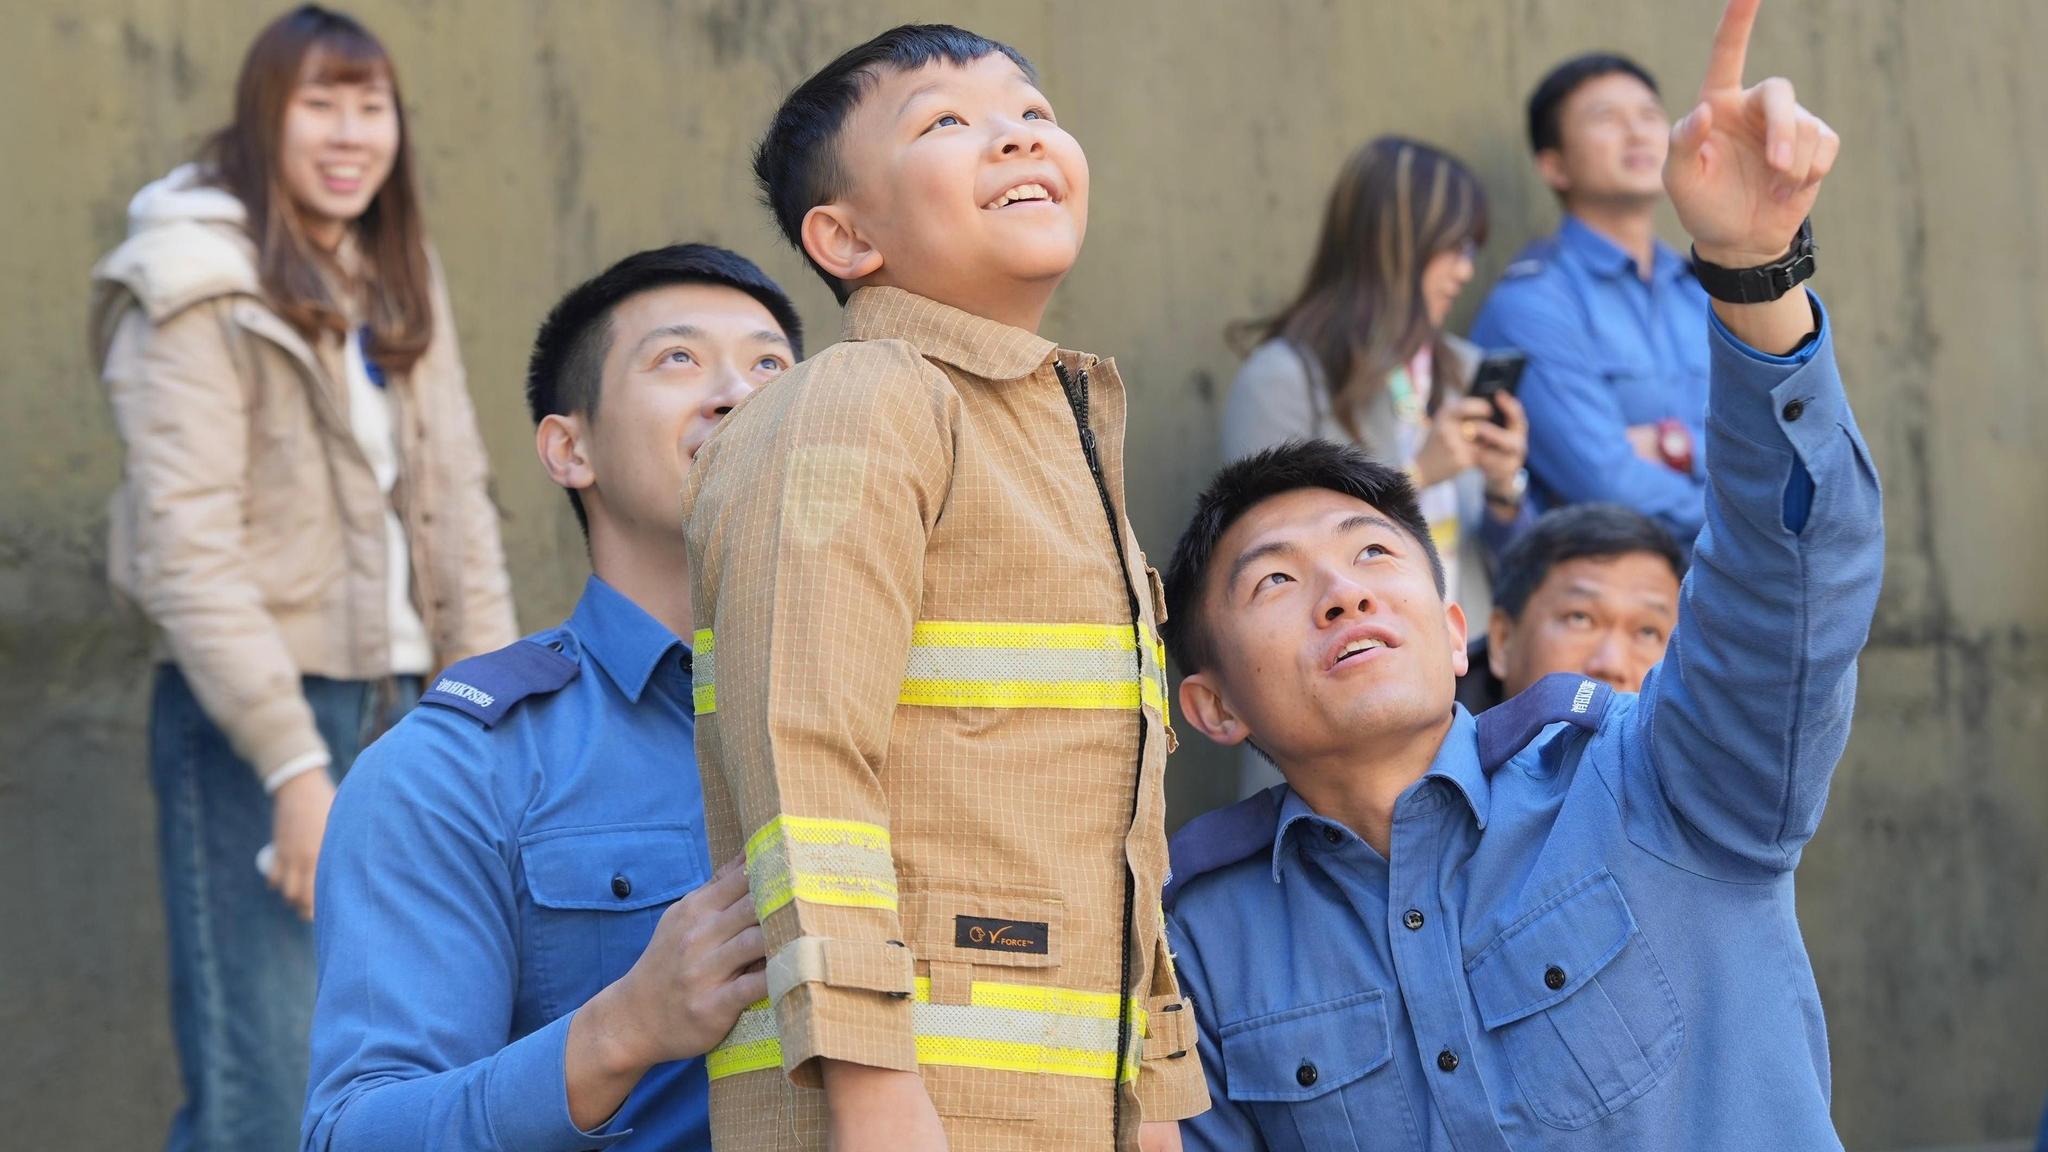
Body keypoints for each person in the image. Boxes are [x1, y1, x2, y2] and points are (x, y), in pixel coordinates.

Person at [1162, 4, 1874, 1147]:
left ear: (1458, 631)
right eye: (1274, 584)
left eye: (1371, 556)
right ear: (1211, 706)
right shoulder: (1196, 944)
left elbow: (1786, 577)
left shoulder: (1652, 782)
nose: (1340, 591)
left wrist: (1753, 271)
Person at [683, 24, 1208, 1152]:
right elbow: (804, 751)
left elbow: (1110, 835)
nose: (1014, 132)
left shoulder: (1052, 425)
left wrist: (1154, 1103)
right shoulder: (860, 401)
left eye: (1029, 108)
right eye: (945, 121)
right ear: (845, 236)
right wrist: (871, 1090)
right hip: (909, 1108)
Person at [87, 7, 516, 1149]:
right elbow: (188, 550)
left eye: (368, 107)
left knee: (429, 1069)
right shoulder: (186, 283)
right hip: (268, 725)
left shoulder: (390, 266)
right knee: (266, 1093)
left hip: (415, 708)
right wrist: (292, 768)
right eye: (317, 104)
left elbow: (458, 496)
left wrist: (493, 714)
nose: (347, 134)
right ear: (262, 117)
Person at [303, 244, 804, 1151]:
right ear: (569, 448)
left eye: (772, 363)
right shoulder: (455, 770)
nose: (740, 392)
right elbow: (354, 1133)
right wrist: (620, 1031)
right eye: (679, 359)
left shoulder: (918, 713)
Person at [1222, 136, 1531, 797]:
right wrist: (1420, 471)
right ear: (1393, 244)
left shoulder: (1462, 368)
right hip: (1336, 676)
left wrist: (1507, 486)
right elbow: (1259, 555)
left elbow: (1507, 552)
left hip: (1464, 661)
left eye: (1472, 248)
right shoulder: (1283, 379)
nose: (1464, 270)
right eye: (1451, 247)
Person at [1470, 50, 1714, 549]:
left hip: (1739, 594)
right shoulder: (1532, 304)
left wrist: (1675, 444)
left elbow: (1775, 447)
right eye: (1606, 118)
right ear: (1554, 166)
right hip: (1618, 599)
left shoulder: (1704, 287)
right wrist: (1755, 527)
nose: (1638, 132)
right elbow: (1605, 482)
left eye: (1649, 114)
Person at [1454, 504, 1684, 713]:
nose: (1612, 664)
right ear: (1503, 640)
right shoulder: (1428, 748)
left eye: (1647, 633)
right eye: (1580, 619)